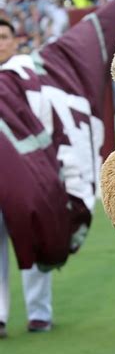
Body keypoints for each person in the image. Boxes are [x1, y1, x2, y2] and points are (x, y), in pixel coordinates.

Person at [0, 19, 52, 337]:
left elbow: (45, 120)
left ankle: (39, 312)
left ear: (16, 40)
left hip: (28, 171)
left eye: (4, 36)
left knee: (32, 238)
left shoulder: (27, 76)